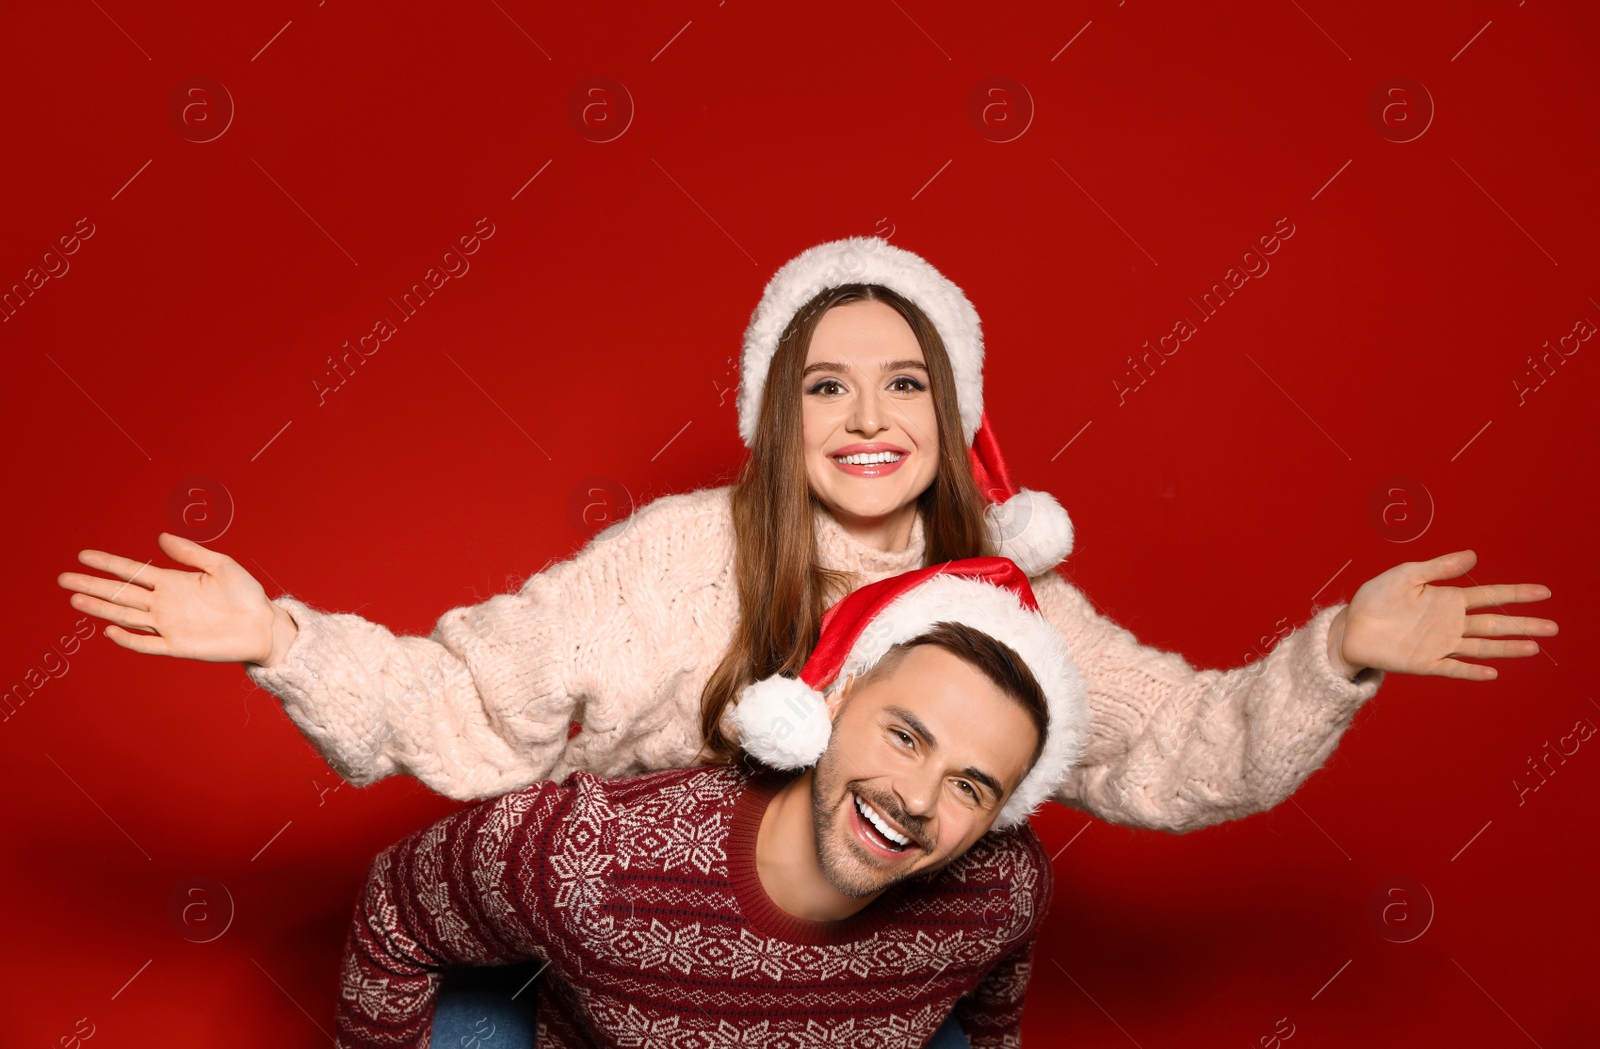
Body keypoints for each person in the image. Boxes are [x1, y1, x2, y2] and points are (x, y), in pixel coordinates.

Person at [59, 237, 1558, 1041]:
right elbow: (472, 700)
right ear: (777, 411)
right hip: (606, 943)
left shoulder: (1005, 616)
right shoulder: (677, 558)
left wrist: (1337, 656)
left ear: (956, 415)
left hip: (839, 974)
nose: (865, 419)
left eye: (902, 383)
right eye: (824, 384)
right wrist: (282, 639)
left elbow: (1183, 751)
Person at [337, 559, 1086, 1049]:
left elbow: (993, 1009)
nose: (919, 798)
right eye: (905, 736)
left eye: (969, 786)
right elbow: (396, 909)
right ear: (837, 697)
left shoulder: (1003, 888)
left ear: (1002, 814)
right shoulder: (593, 855)